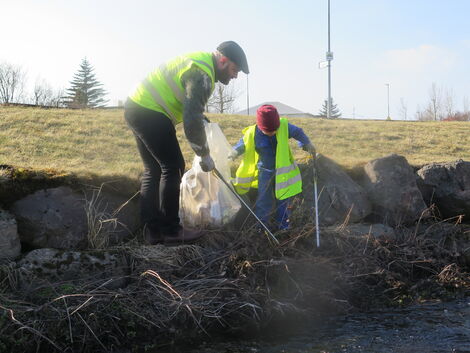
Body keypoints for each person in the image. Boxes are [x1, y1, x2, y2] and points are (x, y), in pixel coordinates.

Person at [124, 41, 249, 245]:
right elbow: (190, 124)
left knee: (152, 169)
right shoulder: (203, 75)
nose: (235, 76)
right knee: (173, 166)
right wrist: (204, 154)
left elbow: (191, 108)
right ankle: (172, 230)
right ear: (223, 61)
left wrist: (201, 119)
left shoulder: (199, 62)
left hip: (136, 106)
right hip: (151, 112)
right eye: (235, 70)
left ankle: (152, 232)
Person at [230, 104, 315, 231]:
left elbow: (298, 132)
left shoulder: (284, 126)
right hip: (264, 171)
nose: (271, 133)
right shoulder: (252, 133)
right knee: (263, 200)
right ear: (260, 126)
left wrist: (306, 144)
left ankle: (284, 226)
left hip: (283, 173)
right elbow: (242, 144)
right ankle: (261, 227)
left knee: (283, 200)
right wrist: (234, 152)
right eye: (268, 131)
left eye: (274, 130)